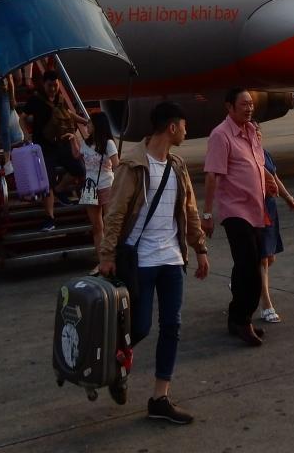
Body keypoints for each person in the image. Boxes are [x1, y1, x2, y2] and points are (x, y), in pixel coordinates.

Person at [99, 101, 210, 425]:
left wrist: (199, 248)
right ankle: (116, 365)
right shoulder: (132, 165)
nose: (186, 131)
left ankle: (160, 398)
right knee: (141, 327)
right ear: (172, 127)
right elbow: (116, 214)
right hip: (141, 261)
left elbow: (189, 210)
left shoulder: (177, 165)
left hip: (172, 260)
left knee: (172, 327)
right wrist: (107, 256)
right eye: (184, 126)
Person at [202, 87, 273, 346]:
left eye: (251, 104)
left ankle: (236, 317)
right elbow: (212, 175)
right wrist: (207, 214)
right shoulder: (221, 135)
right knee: (250, 268)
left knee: (245, 265)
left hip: (255, 210)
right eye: (244, 104)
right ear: (229, 107)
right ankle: (244, 321)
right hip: (235, 211)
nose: (249, 108)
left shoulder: (252, 131)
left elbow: (258, 164)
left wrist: (270, 182)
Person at [22, 70, 88, 231]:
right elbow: (22, 117)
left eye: (55, 85)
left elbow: (69, 114)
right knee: (47, 182)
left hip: (62, 144)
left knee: (79, 169)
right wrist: (26, 135)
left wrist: (86, 121)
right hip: (44, 147)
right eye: (50, 85)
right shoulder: (35, 100)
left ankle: (59, 190)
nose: (53, 89)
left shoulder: (60, 98)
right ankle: (50, 217)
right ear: (44, 84)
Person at [257, 140, 294, 324]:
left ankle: (243, 279)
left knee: (270, 257)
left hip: (270, 208)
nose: (256, 136)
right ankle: (266, 305)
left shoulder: (264, 153)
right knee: (262, 259)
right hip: (255, 209)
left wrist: (287, 196)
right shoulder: (245, 156)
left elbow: (274, 177)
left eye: (258, 133)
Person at [80, 112, 120, 252]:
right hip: (89, 188)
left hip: (106, 185)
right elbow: (78, 157)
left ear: (97, 125)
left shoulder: (108, 143)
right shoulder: (85, 143)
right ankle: (101, 258)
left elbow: (117, 166)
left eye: (90, 123)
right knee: (97, 227)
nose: (87, 125)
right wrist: (73, 141)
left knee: (110, 224)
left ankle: (112, 256)